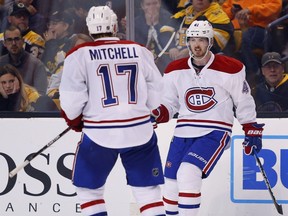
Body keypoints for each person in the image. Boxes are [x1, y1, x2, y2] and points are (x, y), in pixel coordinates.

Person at [59, 5, 166, 216]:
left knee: (89, 191)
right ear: (116, 26)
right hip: (139, 131)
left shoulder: (79, 54)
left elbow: (71, 100)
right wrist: (147, 112)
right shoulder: (139, 50)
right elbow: (157, 90)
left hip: (100, 133)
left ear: (89, 29)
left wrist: (74, 121)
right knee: (148, 192)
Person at [151, 20, 264, 215]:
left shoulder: (230, 68)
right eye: (193, 39)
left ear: (210, 42)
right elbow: (169, 103)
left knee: (188, 172)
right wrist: (158, 113)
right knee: (170, 182)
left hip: (215, 130)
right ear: (187, 41)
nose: (197, 44)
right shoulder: (174, 70)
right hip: (183, 132)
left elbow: (243, 100)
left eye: (202, 39)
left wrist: (250, 127)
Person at [222, 0, 282, 83]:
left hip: (261, 29)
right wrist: (232, 11)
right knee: (223, 46)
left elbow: (275, 7)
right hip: (234, 30)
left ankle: (254, 74)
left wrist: (250, 10)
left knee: (247, 37)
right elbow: (223, 13)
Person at [168, 0, 234, 60]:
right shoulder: (183, 14)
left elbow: (215, 43)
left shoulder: (219, 16)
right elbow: (165, 29)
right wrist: (171, 47)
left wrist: (192, 50)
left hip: (210, 63)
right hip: (179, 61)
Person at [0, 25, 48, 95]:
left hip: (28, 104)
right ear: (4, 43)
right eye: (9, 40)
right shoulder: (1, 62)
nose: (13, 43)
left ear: (22, 41)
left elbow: (41, 96)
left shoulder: (36, 65)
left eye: (17, 39)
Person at [133, 0, 177, 74]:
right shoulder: (136, 22)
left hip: (163, 61)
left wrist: (156, 24)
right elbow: (139, 45)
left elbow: (167, 44)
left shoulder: (169, 18)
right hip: (144, 62)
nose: (152, 7)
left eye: (155, 3)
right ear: (142, 6)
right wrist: (148, 25)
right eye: (148, 4)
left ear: (159, 3)